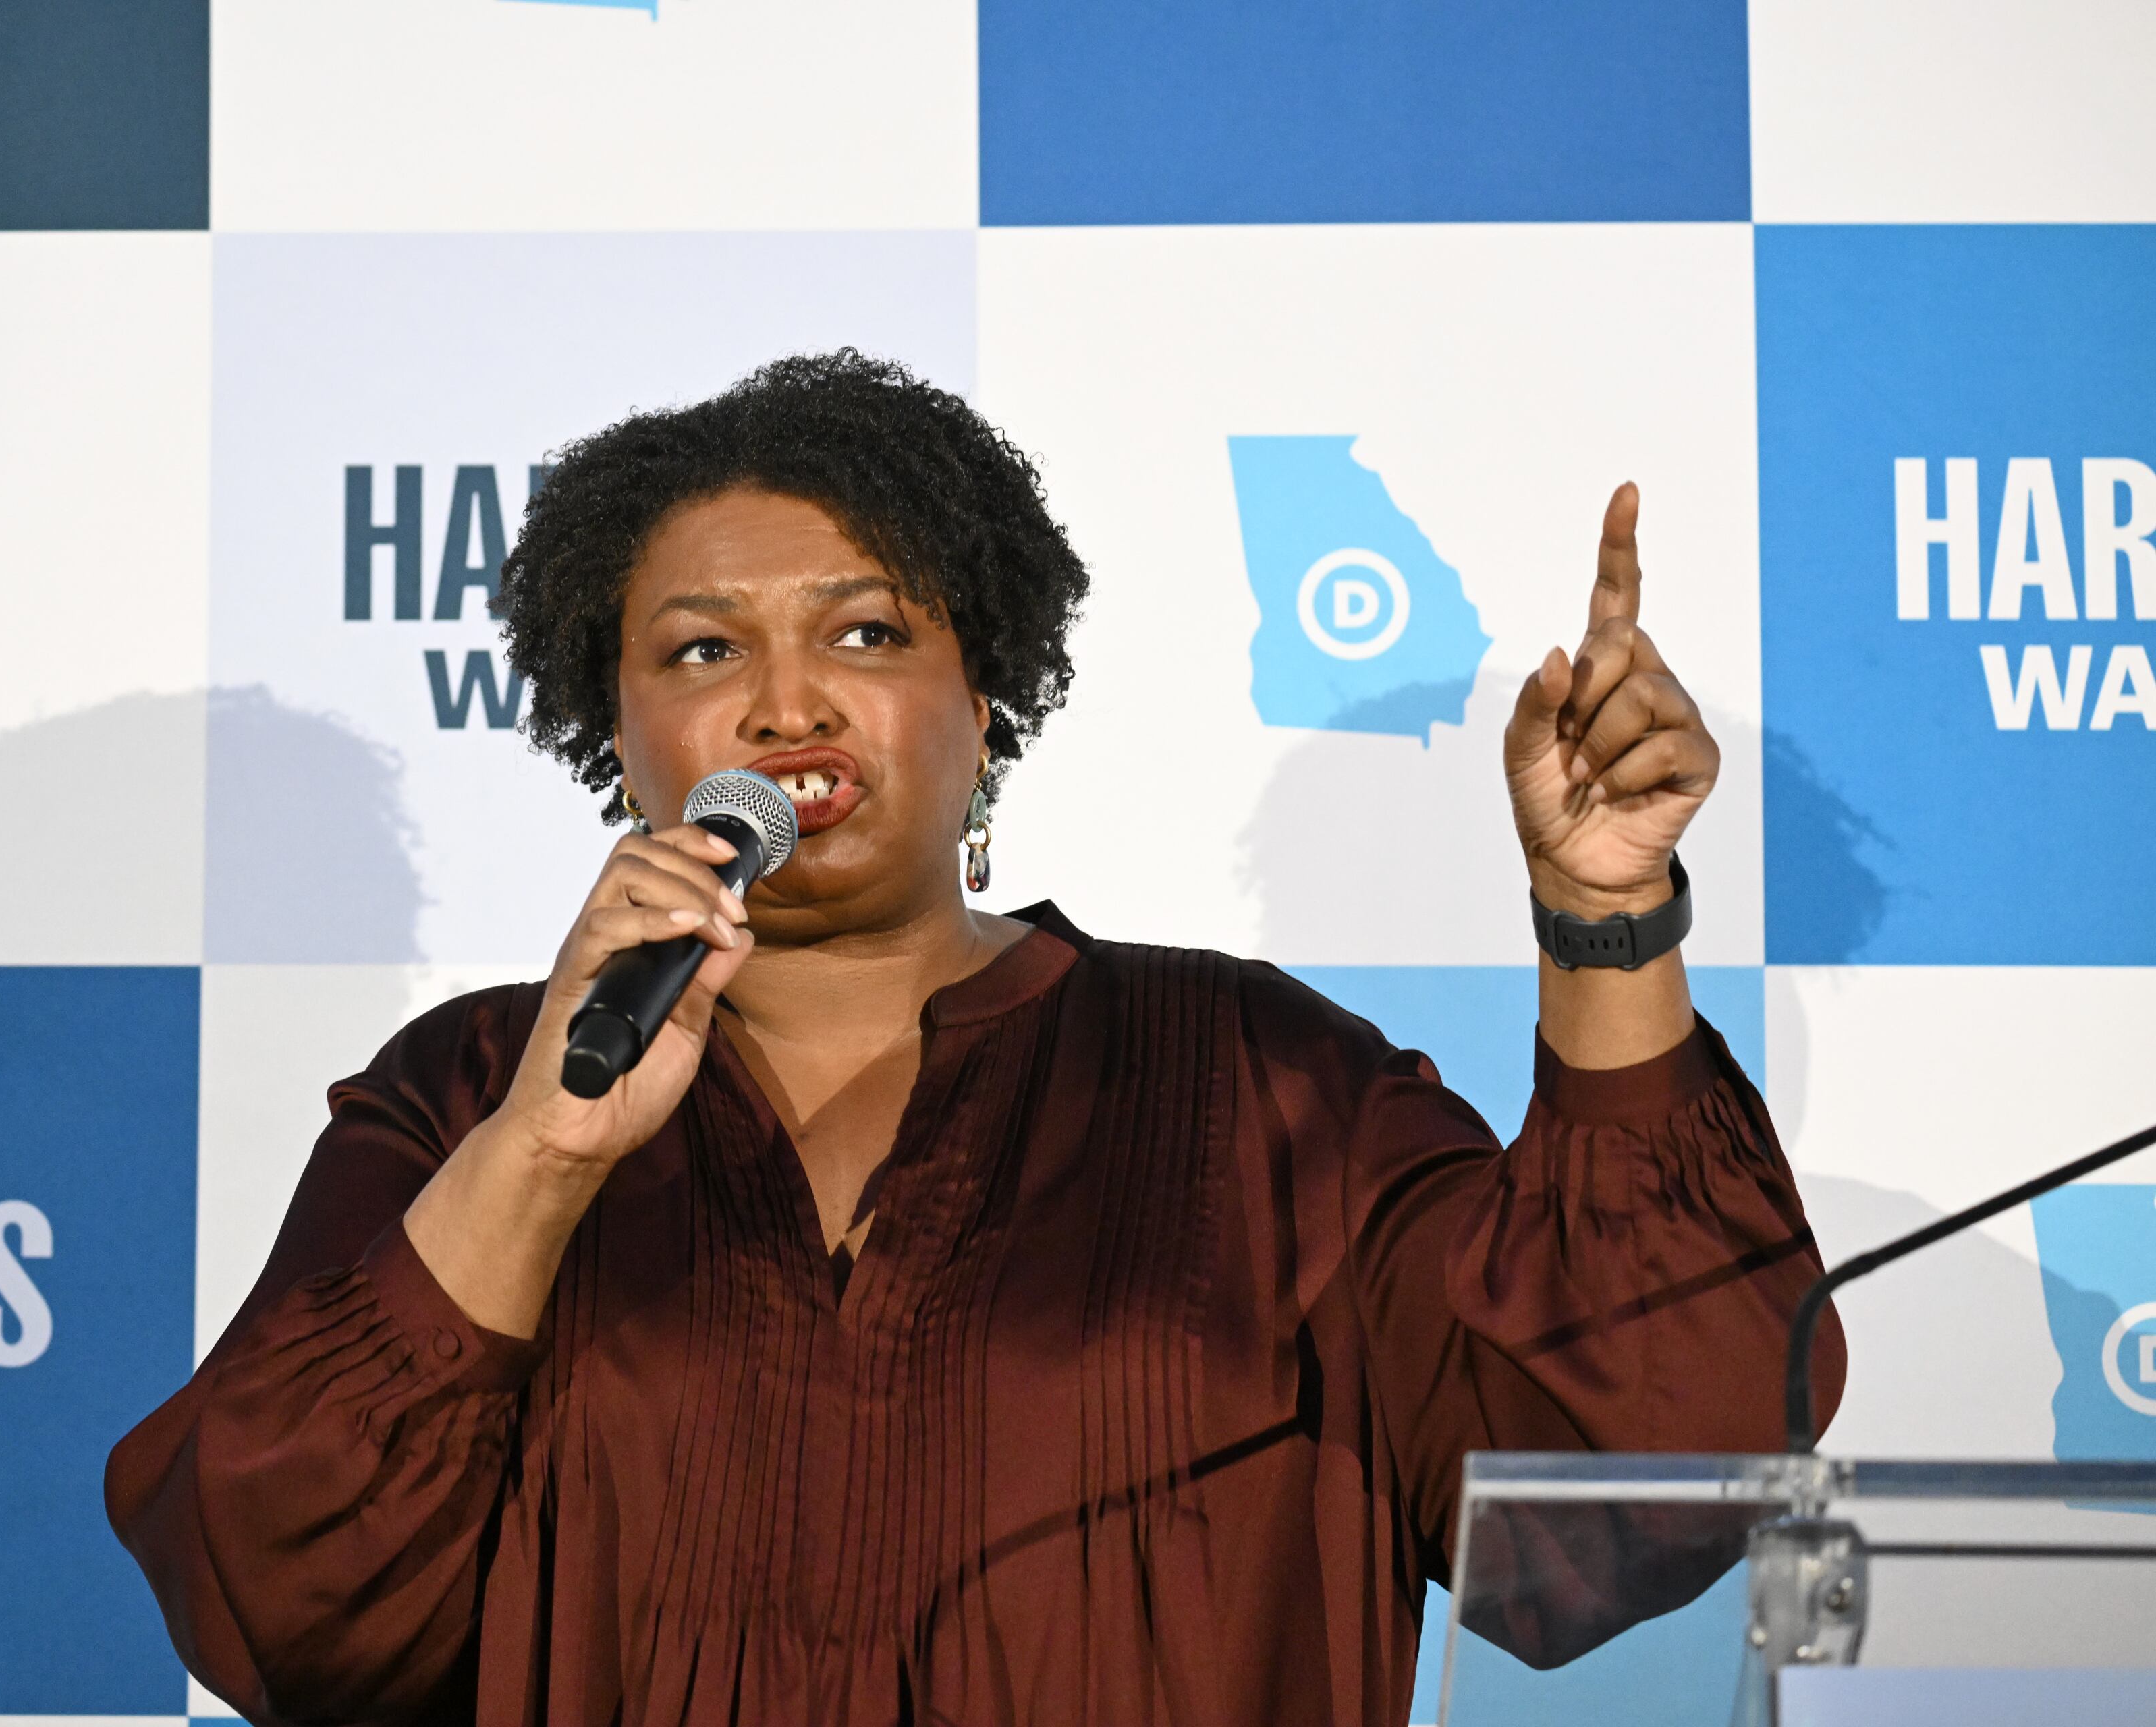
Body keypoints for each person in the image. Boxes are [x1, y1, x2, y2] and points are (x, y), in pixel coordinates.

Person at [106, 351, 1843, 1726]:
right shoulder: (472, 1091)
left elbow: (1638, 1459)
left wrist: (1606, 917)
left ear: (984, 702)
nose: (787, 700)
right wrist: (546, 1155)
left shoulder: (1261, 1077)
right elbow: (277, 1595)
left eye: (868, 631)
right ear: (611, 727)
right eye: (706, 648)